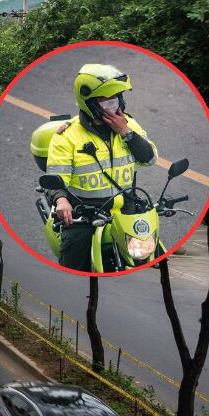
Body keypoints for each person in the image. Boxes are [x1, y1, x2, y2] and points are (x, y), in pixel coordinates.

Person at [45, 64, 158, 272]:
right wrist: (61, 200)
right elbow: (55, 178)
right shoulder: (67, 135)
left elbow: (149, 159)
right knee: (73, 264)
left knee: (156, 256)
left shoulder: (129, 125)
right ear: (88, 102)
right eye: (105, 99)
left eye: (116, 96)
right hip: (84, 217)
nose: (112, 103)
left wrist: (126, 132)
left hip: (126, 213)